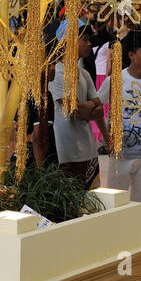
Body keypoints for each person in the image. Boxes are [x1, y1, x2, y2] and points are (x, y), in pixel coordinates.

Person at [99, 33, 141, 247]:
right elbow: (96, 106)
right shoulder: (116, 80)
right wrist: (106, 135)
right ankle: (112, 245)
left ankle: (134, 246)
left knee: (140, 209)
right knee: (114, 204)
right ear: (131, 55)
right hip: (120, 155)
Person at [48, 21, 110, 185]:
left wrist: (107, 138)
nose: (89, 43)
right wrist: (93, 103)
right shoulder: (57, 73)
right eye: (84, 39)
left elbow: (98, 111)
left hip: (88, 149)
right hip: (67, 149)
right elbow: (74, 111)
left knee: (91, 202)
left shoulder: (84, 74)